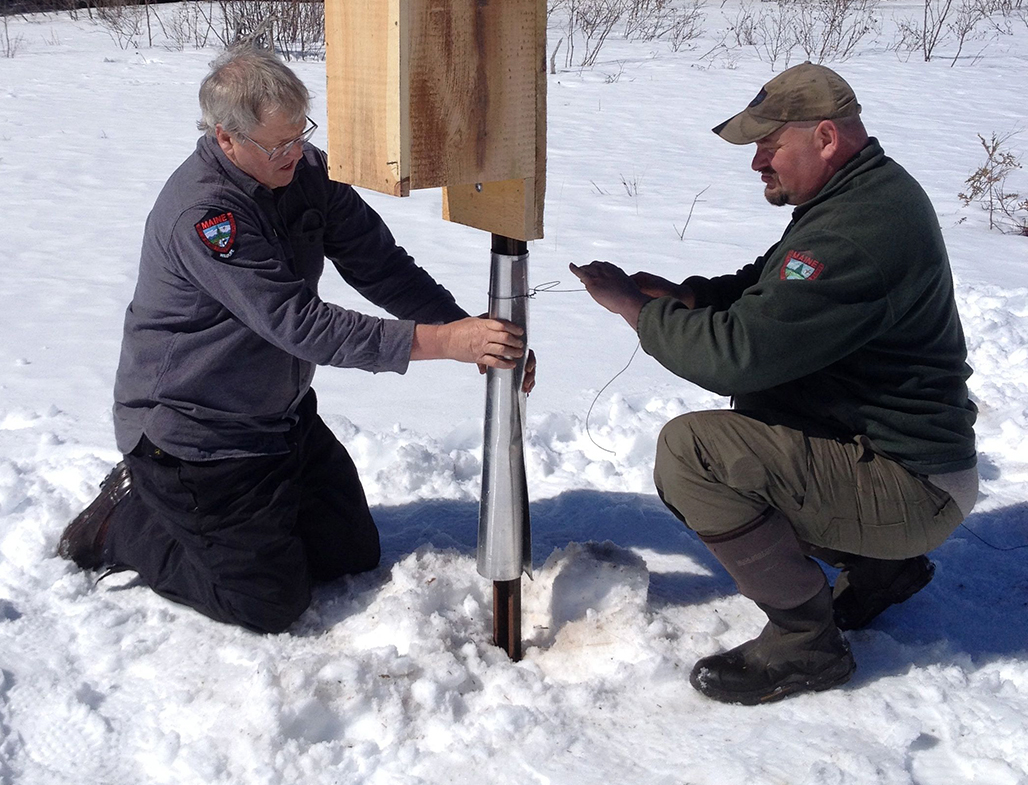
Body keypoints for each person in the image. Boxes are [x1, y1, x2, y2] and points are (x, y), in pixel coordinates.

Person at [59, 46, 533, 634]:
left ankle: (237, 526)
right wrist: (446, 342)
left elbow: (380, 265)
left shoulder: (305, 171)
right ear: (226, 138)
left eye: (300, 135)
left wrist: (471, 334)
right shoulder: (206, 215)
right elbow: (299, 323)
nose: (296, 153)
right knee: (269, 604)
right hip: (198, 435)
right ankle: (127, 521)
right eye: (276, 145)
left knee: (347, 556)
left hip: (280, 417)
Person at [571, 62, 977, 705]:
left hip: (913, 485)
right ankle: (881, 567)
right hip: (905, 461)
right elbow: (774, 285)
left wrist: (637, 310)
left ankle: (805, 642)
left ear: (824, 138)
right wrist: (689, 296)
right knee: (762, 409)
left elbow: (738, 354)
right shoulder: (861, 195)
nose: (758, 161)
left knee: (695, 455)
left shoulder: (854, 230)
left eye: (769, 144)